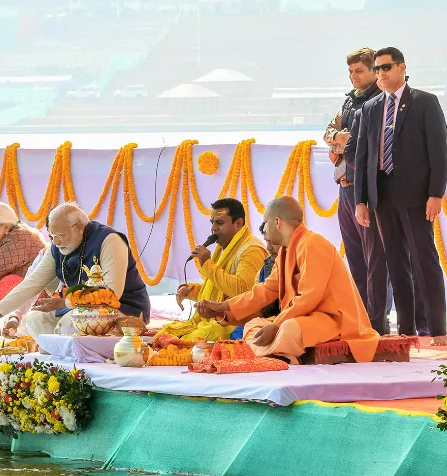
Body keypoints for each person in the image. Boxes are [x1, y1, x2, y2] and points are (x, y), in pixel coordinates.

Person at [196, 197, 379, 364]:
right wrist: (224, 308)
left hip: (335, 323)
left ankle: (264, 352)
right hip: (306, 320)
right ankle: (279, 354)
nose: (264, 231)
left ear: (277, 222)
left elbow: (309, 298)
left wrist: (276, 325)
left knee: (289, 328)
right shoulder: (284, 252)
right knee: (253, 325)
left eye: (265, 224)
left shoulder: (312, 243)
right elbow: (264, 291)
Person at [354, 47, 447, 345]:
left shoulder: (424, 102)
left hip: (417, 196)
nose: (381, 73)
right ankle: (406, 330)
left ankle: (438, 330)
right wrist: (361, 200)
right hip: (382, 196)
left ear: (402, 68)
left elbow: (439, 152)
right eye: (378, 69)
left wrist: (435, 194)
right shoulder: (370, 108)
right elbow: (364, 155)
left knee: (425, 260)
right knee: (396, 263)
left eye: (386, 67)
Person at [0, 202, 151, 337]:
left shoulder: (109, 240)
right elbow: (31, 284)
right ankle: (63, 362)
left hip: (125, 311)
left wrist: (65, 304)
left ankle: (76, 363)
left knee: (70, 324)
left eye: (60, 235)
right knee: (34, 319)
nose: (56, 242)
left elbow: (112, 294)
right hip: (78, 311)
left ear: (78, 227)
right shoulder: (57, 247)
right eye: (52, 236)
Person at [323, 48, 389, 333]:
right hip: (345, 187)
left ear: (374, 71)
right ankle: (361, 315)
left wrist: (341, 145)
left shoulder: (381, 101)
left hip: (369, 189)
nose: (353, 77)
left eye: (358, 71)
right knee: (354, 255)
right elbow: (328, 133)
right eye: (350, 72)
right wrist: (339, 140)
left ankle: (378, 320)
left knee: (376, 257)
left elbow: (367, 145)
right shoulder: (348, 103)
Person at [159, 198, 267, 341]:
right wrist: (192, 291)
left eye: (220, 223)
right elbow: (218, 290)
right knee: (164, 335)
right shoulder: (224, 248)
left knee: (182, 341)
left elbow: (242, 290)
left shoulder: (251, 249)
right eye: (212, 223)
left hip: (236, 322)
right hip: (215, 320)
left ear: (239, 223)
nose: (213, 228)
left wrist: (207, 264)